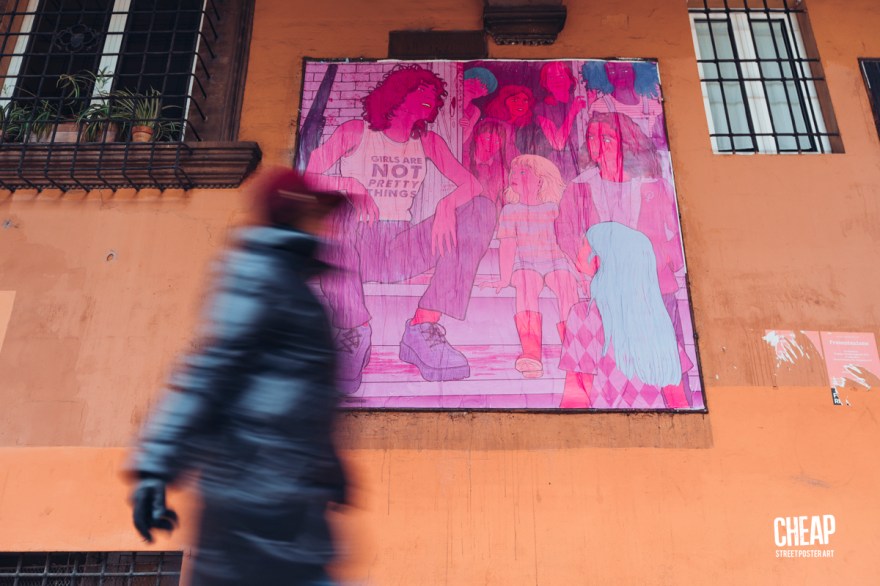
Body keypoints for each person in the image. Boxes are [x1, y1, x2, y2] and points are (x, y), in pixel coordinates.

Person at [128, 167, 349, 586]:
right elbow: (212, 369)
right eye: (317, 210)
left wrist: (331, 470)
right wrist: (155, 468)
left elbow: (302, 393)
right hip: (253, 494)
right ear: (295, 210)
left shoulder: (289, 282)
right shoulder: (258, 274)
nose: (325, 222)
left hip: (288, 494)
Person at [305, 64, 495, 390]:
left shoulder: (429, 142)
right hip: (355, 243)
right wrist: (350, 185)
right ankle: (353, 331)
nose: (429, 97)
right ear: (397, 93)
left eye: (433, 94)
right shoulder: (356, 132)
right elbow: (308, 176)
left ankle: (423, 328)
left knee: (481, 209)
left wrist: (447, 205)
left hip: (401, 247)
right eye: (421, 90)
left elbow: (472, 185)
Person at [557, 111, 683, 332]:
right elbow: (564, 232)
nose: (598, 145)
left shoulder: (655, 186)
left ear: (626, 142)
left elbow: (681, 236)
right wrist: (587, 263)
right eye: (592, 137)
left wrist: (660, 258)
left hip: (653, 288)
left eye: (607, 138)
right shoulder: (579, 188)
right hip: (604, 289)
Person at [558, 222, 691, 409]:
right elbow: (678, 399)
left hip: (603, 421)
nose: (578, 251)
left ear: (603, 258)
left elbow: (576, 394)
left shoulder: (584, 315)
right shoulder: (656, 318)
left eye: (584, 245)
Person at [481, 155, 579, 379]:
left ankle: (573, 345)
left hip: (556, 261)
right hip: (526, 264)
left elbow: (567, 242)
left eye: (523, 173)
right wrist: (505, 278)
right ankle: (531, 352)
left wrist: (577, 270)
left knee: (566, 284)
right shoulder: (510, 211)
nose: (514, 176)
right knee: (526, 284)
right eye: (513, 172)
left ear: (541, 181)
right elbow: (507, 246)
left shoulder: (554, 209)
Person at [581, 60, 667, 150]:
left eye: (625, 70)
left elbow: (662, 142)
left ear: (637, 71)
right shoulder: (600, 107)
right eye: (612, 71)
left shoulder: (653, 105)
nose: (619, 76)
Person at [525, 61, 587, 181]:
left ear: (570, 80)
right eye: (551, 77)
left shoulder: (581, 98)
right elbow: (558, 143)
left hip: (585, 162)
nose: (557, 80)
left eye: (561, 76)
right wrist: (572, 112)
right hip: (561, 166)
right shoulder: (542, 108)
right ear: (545, 83)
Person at [464, 117, 518, 210]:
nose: (491, 146)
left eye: (497, 142)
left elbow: (507, 201)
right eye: (488, 139)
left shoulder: (501, 170)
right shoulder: (463, 161)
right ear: (476, 137)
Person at [484, 84, 535, 155]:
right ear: (504, 101)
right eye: (515, 100)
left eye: (525, 101)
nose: (521, 104)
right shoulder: (490, 124)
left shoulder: (516, 128)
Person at [460, 66, 498, 143]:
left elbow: (463, 139)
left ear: (485, 93)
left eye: (482, 87)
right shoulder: (449, 98)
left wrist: (465, 127)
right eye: (472, 82)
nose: (475, 88)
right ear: (463, 80)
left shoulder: (475, 112)